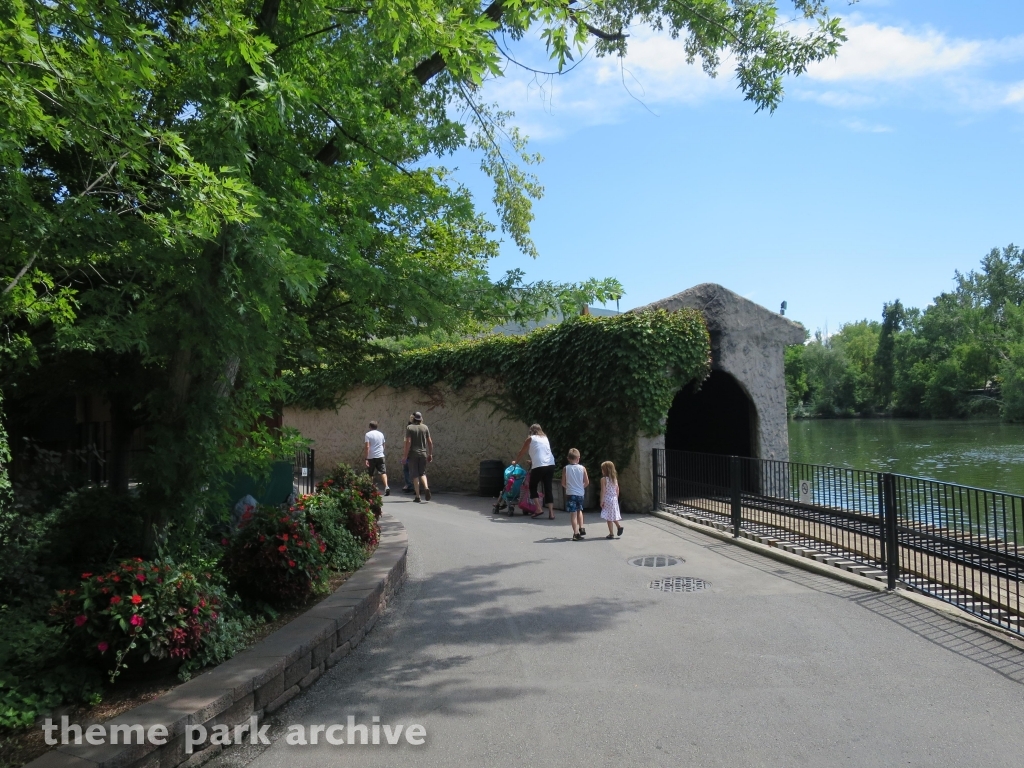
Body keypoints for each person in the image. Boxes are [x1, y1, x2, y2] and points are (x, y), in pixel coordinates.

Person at [513, 424, 556, 520]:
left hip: (539, 466)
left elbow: (521, 452)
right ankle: (551, 513)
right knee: (548, 487)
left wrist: (516, 462)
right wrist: (533, 461)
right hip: (550, 464)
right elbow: (542, 452)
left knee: (532, 486)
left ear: (531, 431)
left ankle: (538, 509)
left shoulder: (530, 439)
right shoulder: (545, 438)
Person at [403, 411, 433, 503]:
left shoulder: (410, 428)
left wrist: (405, 456)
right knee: (422, 473)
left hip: (413, 454)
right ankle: (426, 487)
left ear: (413, 418)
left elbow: (408, 442)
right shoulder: (425, 427)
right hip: (423, 453)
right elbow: (430, 442)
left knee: (415, 475)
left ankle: (417, 496)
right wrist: (430, 454)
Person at [562, 448, 589, 541]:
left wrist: (568, 487)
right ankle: (582, 527)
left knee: (573, 514)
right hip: (580, 493)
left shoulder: (566, 468)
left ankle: (576, 533)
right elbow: (586, 482)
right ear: (578, 458)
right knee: (579, 510)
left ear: (568, 458)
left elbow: (563, 483)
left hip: (570, 494)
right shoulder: (582, 468)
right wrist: (581, 487)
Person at [364, 421, 390, 496]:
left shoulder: (368, 434)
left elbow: (367, 446)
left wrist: (366, 458)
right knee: (383, 472)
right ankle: (386, 486)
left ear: (370, 427)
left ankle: (371, 489)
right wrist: (381, 451)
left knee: (370, 473)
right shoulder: (381, 434)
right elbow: (383, 445)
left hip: (371, 456)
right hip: (380, 456)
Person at [600, 460, 623, 539]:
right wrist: (616, 497)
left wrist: (601, 500)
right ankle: (618, 526)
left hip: (607, 498)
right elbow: (617, 490)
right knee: (612, 515)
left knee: (608, 517)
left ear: (605, 470)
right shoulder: (614, 479)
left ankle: (611, 533)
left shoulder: (603, 479)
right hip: (614, 499)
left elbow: (603, 491)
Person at [400, 415, 415, 492]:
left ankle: (408, 484)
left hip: (409, 454)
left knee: (406, 469)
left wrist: (404, 456)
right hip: (417, 453)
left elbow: (406, 444)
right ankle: (416, 485)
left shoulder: (408, 433)